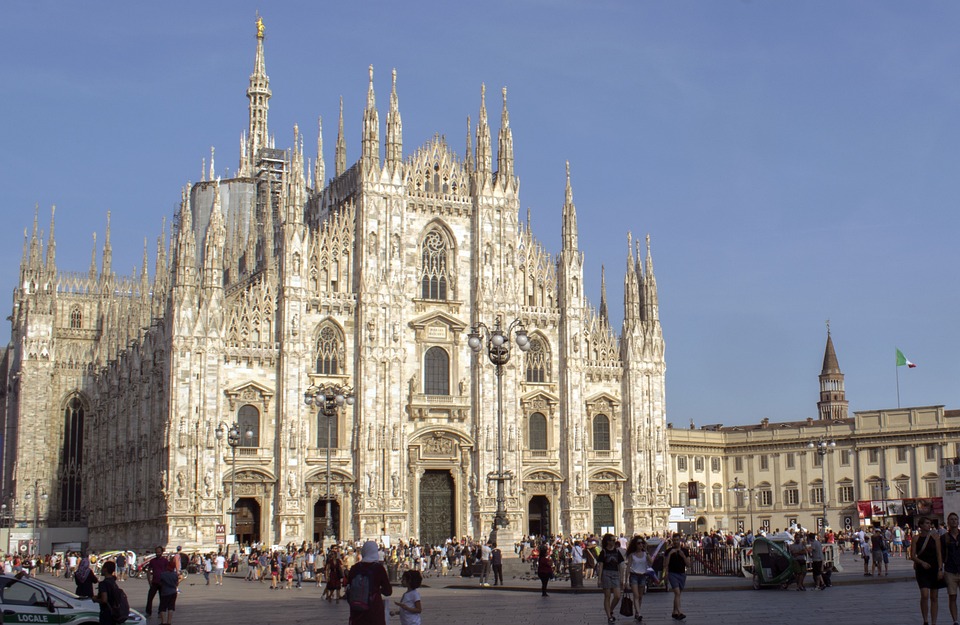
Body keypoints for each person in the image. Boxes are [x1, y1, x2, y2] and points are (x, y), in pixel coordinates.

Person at [346, 540, 392, 625]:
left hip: (357, 609)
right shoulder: (379, 569)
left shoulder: (354, 568)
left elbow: (349, 587)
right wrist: (377, 590)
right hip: (374, 608)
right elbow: (388, 591)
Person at [911, 516, 944, 625]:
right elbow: (912, 556)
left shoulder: (935, 537)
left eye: (929, 523)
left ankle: (934, 622)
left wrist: (940, 569)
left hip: (934, 568)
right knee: (924, 594)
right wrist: (921, 562)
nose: (929, 525)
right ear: (920, 525)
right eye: (926, 523)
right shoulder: (916, 538)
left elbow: (939, 554)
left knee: (934, 596)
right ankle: (925, 620)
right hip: (922, 569)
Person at [598, 533, 625, 623]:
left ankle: (610, 610)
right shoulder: (604, 552)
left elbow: (621, 565)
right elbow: (600, 566)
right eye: (613, 540)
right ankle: (609, 616)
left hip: (615, 574)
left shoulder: (617, 552)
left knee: (617, 596)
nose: (614, 542)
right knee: (607, 596)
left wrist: (622, 578)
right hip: (606, 574)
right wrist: (599, 579)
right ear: (608, 542)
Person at [664, 534, 690, 621]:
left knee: (677, 594)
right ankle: (680, 611)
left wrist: (683, 556)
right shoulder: (668, 551)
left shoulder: (685, 551)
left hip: (682, 574)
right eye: (674, 540)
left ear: (680, 540)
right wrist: (670, 554)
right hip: (672, 574)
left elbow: (688, 564)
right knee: (677, 592)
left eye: (677, 540)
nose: (675, 542)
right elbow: (665, 564)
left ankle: (674, 612)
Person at [626, 536, 651, 622]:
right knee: (636, 595)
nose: (640, 545)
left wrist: (647, 552)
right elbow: (628, 567)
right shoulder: (631, 555)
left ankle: (637, 612)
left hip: (642, 576)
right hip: (634, 576)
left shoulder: (645, 554)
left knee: (640, 596)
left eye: (642, 543)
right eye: (638, 543)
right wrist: (625, 581)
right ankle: (639, 613)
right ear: (635, 545)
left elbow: (651, 562)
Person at [943, 512, 960, 625]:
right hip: (950, 570)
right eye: (952, 519)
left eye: (956, 519)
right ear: (948, 522)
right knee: (952, 596)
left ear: (958, 522)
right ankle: (955, 620)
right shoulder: (944, 538)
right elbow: (940, 554)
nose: (954, 521)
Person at [93, 561, 120, 625]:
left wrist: (95, 599)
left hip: (106, 613)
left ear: (105, 569)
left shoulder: (103, 584)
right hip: (114, 612)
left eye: (102, 568)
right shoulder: (113, 582)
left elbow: (104, 600)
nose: (101, 570)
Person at [145, 547, 168, 616]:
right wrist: (149, 580)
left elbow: (167, 571)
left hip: (162, 582)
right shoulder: (152, 561)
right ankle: (148, 612)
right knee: (150, 598)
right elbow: (149, 571)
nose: (157, 553)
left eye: (159, 552)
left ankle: (160, 612)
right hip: (154, 582)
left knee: (162, 598)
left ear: (162, 552)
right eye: (156, 552)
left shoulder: (165, 561)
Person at [158, 558, 181, 625]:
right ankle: (169, 622)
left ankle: (163, 622)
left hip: (165, 592)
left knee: (163, 607)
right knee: (171, 607)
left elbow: (160, 582)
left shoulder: (163, 574)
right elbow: (177, 583)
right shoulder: (175, 575)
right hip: (173, 592)